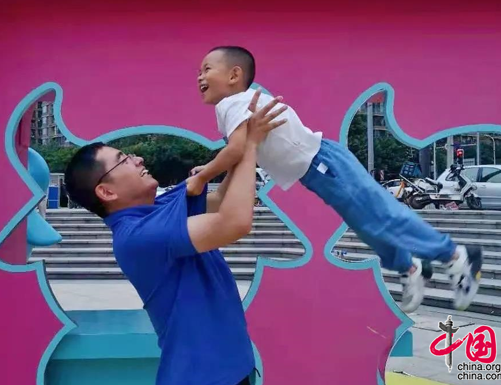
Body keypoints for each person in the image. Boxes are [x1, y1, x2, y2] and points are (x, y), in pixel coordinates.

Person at [190, 45, 483, 313]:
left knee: (381, 215)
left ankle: (457, 256)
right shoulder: (234, 108)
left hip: (323, 164)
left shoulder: (233, 103)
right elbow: (240, 155)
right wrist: (210, 174)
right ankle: (410, 268)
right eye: (199, 71)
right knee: (367, 225)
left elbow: (236, 150)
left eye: (206, 69)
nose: (199, 77)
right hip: (317, 170)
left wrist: (203, 176)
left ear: (234, 75)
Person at [64, 94, 288, 385]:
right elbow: (235, 222)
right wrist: (251, 144)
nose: (138, 159)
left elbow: (222, 199)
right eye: (124, 160)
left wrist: (241, 139)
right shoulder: (136, 238)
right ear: (107, 192)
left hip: (230, 371)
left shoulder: (161, 206)